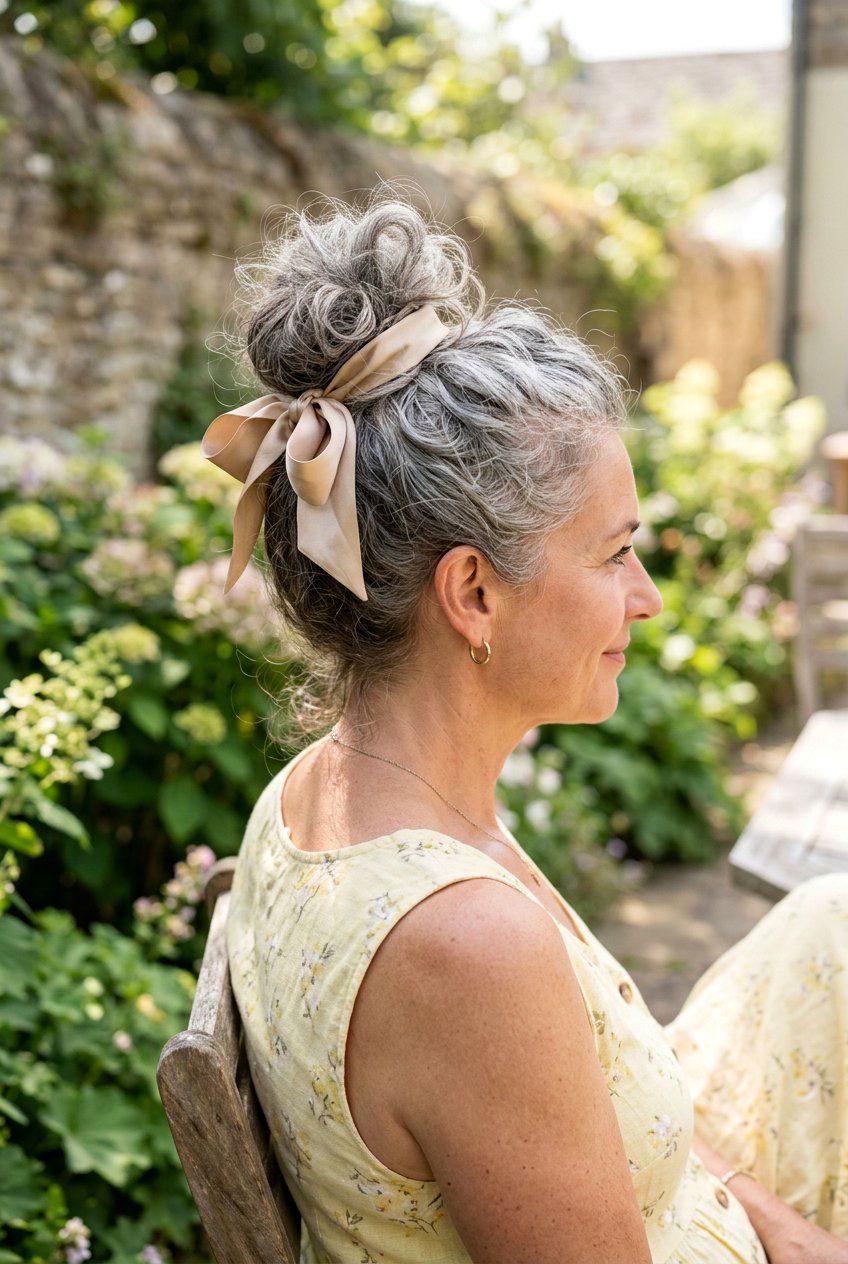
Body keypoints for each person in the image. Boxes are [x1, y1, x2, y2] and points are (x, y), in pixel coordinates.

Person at [215, 194, 848, 1263]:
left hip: (672, 1195)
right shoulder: (463, 948)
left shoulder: (328, 789)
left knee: (830, 924)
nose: (644, 598)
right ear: (472, 594)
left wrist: (782, 1229)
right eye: (613, 555)